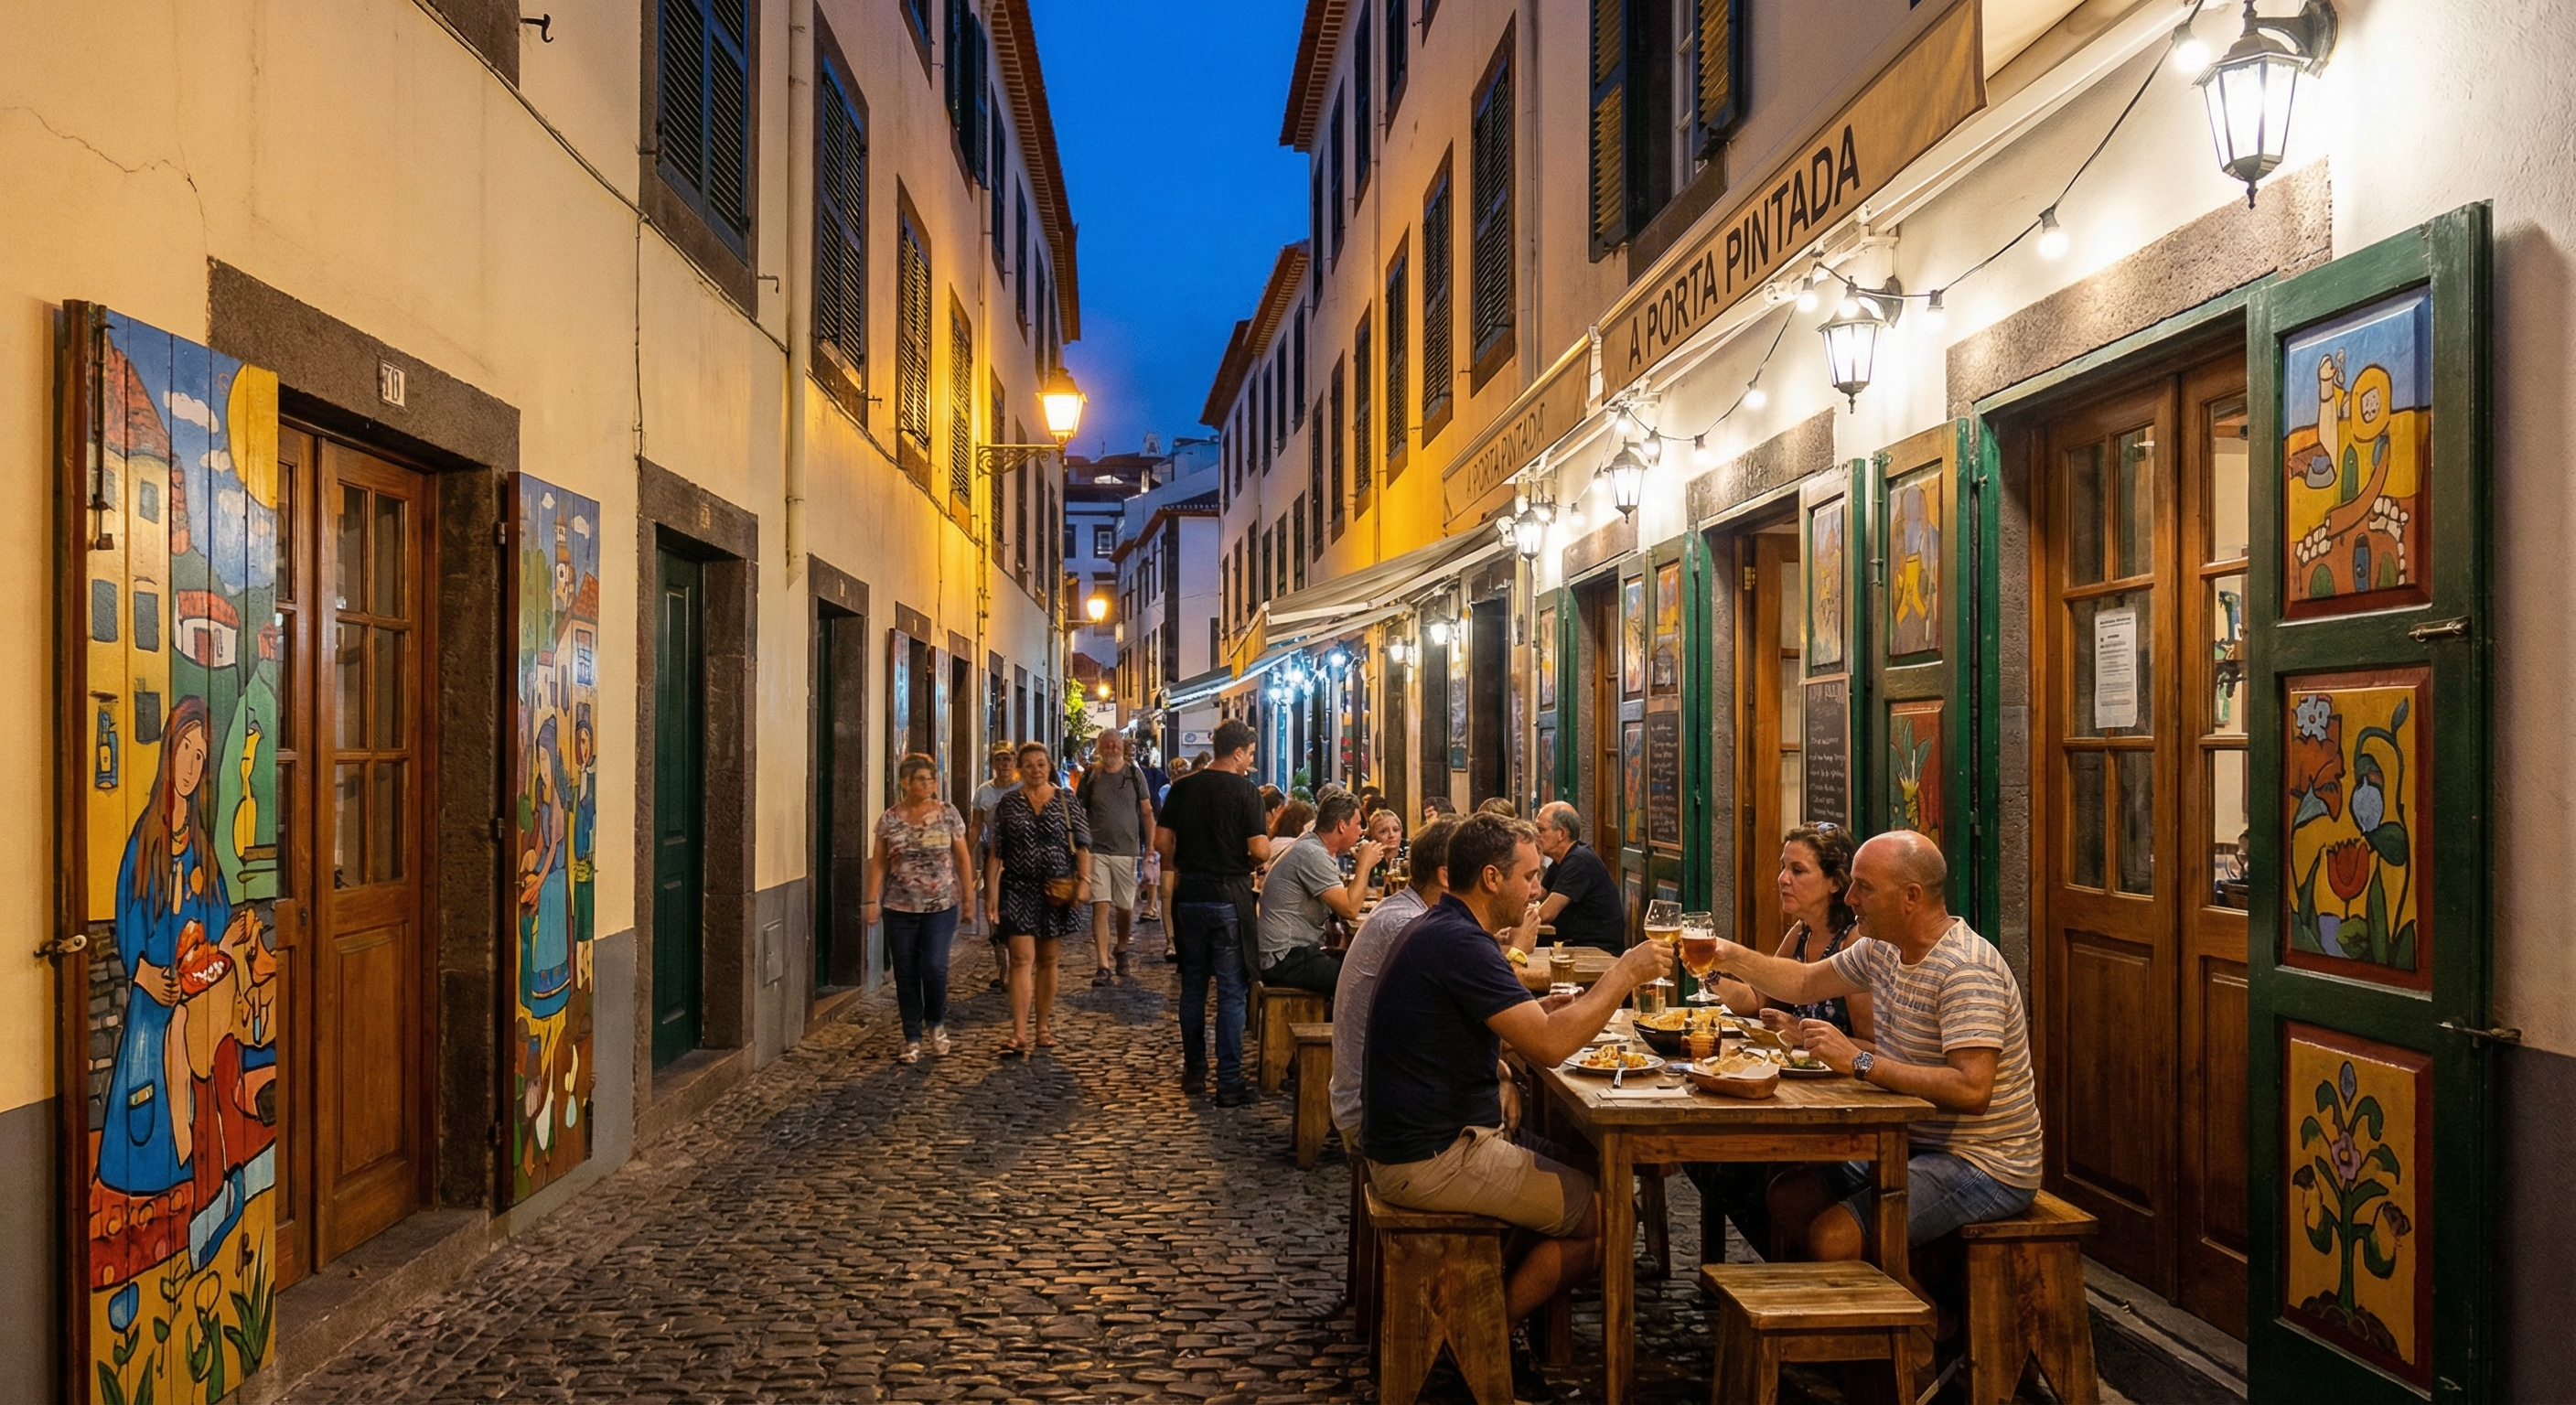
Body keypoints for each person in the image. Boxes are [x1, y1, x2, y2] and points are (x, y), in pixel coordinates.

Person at [1363, 815, 1675, 1399]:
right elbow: (1552, 1047)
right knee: (1610, 1221)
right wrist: (1621, 974)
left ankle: (1479, 1317)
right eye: (1529, 877)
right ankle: (1479, 1335)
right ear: (1490, 877)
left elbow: (1512, 1033)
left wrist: (1550, 1011)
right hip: (1433, 1157)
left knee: (1588, 1173)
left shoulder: (1447, 928)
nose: (1537, 890)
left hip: (1425, 1138)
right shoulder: (1461, 942)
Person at [1707, 830, 2041, 1285]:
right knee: (1788, 1195)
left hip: (1981, 1159)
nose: (1850, 897)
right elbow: (1804, 984)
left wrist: (1859, 1062)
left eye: (1863, 886)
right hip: (1910, 1142)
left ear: (1911, 897)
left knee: (1832, 1237)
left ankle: (1920, 1335)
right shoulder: (1883, 948)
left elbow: (1972, 1089)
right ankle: (1848, 1322)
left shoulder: (1965, 970)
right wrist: (1729, 955)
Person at [1687, 823, 1873, 1255]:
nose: (1782, 879)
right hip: (1793, 1095)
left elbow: (1872, 1045)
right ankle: (1786, 1267)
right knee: (1708, 1161)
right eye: (1782, 867)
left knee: (1741, 1170)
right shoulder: (1802, 933)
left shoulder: (1855, 944)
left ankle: (1793, 1270)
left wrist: (1803, 1038)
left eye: (1797, 870)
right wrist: (1708, 973)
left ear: (1834, 882)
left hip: (1843, 1108)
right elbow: (1754, 1000)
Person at [1155, 719, 1271, 1105]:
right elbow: (1259, 850)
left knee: (1192, 987)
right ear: (1237, 752)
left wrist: (1182, 863)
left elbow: (1161, 842)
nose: (1250, 762)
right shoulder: (1246, 792)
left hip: (1189, 894)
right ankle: (1230, 1082)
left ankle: (1194, 1072)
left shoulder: (1183, 788)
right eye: (1250, 755)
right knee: (1232, 992)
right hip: (1229, 895)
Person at [1328, 816, 1454, 1147]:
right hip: (1372, 1113)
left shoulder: (1405, 912)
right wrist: (1515, 951)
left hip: (1372, 1100)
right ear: (1447, 875)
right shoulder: (1408, 923)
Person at [865, 754, 975, 1064]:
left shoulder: (948, 814)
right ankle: (911, 1036)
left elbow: (963, 858)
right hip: (899, 907)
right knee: (906, 972)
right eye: (921, 779)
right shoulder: (889, 819)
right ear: (905, 783)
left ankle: (936, 1022)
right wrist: (870, 900)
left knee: (934, 966)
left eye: (931, 779)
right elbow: (878, 863)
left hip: (941, 905)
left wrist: (968, 899)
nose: (928, 784)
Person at [985, 743, 1091, 1056]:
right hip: (1018, 887)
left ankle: (1042, 1026)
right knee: (1019, 959)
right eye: (1029, 765)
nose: (1035, 770)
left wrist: (1084, 881)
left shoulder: (1066, 800)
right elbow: (996, 851)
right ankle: (1019, 1032)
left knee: (1048, 960)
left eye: (1041, 764)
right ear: (1021, 769)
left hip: (1055, 889)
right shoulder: (1008, 803)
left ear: (1049, 767)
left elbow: (1083, 845)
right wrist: (990, 895)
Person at [1254, 792, 1383, 994]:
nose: (1362, 831)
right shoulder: (1312, 853)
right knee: (1365, 981)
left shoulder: (1312, 845)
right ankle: (1344, 1026)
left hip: (1291, 953)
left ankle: (1335, 1021)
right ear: (1342, 825)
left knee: (1368, 966)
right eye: (1358, 824)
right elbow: (1349, 909)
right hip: (1284, 959)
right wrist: (1364, 866)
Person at [1078, 731, 1156, 985]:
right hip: (1096, 850)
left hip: (1127, 850)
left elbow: (1147, 811)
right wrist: (1079, 846)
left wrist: (1150, 847)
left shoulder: (1134, 775)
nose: (1112, 747)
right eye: (1107, 744)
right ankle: (1102, 965)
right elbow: (1080, 811)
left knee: (1125, 908)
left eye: (1116, 743)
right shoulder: (1091, 775)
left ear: (1122, 747)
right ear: (1100, 747)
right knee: (1100, 905)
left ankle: (1121, 946)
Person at [1531, 802, 1624, 951]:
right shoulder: (1560, 861)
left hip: (1597, 950)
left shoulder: (1579, 861)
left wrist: (1511, 921)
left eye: (1541, 830)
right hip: (1573, 943)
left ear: (1561, 834)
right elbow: (1537, 893)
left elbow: (1547, 913)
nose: (1536, 836)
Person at [970, 745, 1019, 990]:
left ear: (1014, 761)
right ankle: (1003, 967)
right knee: (993, 912)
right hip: (993, 856)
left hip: (1021, 857)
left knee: (1015, 911)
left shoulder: (1023, 788)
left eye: (1007, 759)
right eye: (999, 760)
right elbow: (976, 826)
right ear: (992, 763)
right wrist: (965, 853)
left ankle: (1017, 967)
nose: (1003, 764)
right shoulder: (984, 792)